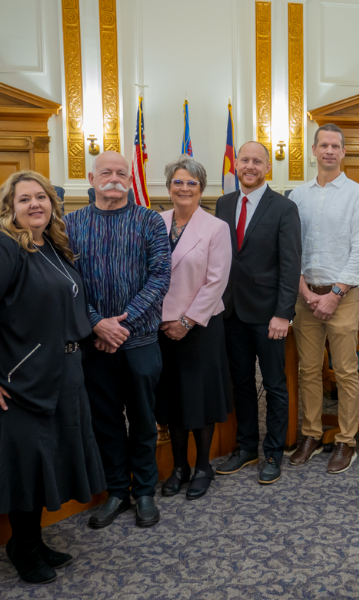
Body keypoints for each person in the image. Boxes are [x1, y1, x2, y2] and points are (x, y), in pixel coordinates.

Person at [0, 170, 105, 584]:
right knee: (23, 467)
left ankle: (30, 542)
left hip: (59, 374)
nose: (35, 204)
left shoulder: (51, 245)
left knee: (42, 464)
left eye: (41, 197)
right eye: (24, 199)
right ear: (9, 207)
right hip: (16, 382)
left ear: (52, 204)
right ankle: (22, 547)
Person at [64, 151, 171, 528]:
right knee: (105, 420)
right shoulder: (70, 224)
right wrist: (98, 323)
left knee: (143, 420)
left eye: (121, 173)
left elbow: (160, 277)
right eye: (105, 172)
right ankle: (116, 492)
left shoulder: (149, 221)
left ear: (130, 179)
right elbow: (68, 282)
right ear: (91, 178)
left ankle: (143, 492)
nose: (114, 178)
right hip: (94, 343)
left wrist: (121, 325)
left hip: (140, 340)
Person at [215, 141, 302, 485]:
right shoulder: (223, 203)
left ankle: (273, 453)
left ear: (267, 166)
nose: (249, 165)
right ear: (236, 163)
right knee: (241, 384)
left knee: (275, 385)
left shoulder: (283, 207)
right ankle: (246, 447)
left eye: (257, 161)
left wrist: (284, 313)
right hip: (231, 311)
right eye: (244, 159)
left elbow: (291, 263)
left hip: (269, 316)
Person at [289, 124, 359, 473]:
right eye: (323, 145)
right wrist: (305, 291)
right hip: (306, 296)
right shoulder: (296, 196)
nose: (328, 151)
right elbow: (291, 250)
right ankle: (310, 434)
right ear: (313, 149)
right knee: (307, 370)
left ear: (343, 152)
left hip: (344, 296)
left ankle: (346, 440)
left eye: (335, 146)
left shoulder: (358, 194)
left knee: (344, 372)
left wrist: (335, 294)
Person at [155, 155, 233, 500]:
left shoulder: (216, 228)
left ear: (202, 189)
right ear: (169, 186)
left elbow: (216, 282)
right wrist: (165, 321)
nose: (184, 188)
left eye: (192, 183)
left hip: (199, 327)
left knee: (199, 399)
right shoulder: (155, 223)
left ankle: (203, 466)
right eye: (178, 181)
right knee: (172, 400)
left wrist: (186, 321)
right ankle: (179, 467)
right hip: (161, 327)